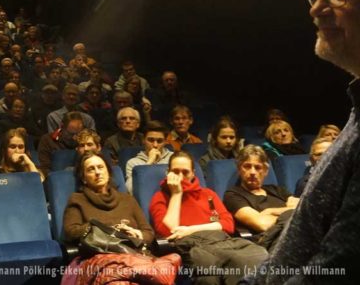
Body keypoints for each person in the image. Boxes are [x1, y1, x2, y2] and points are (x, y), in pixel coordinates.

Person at [149, 152, 267, 285]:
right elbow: (167, 232)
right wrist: (176, 194)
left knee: (260, 254)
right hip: (193, 245)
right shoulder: (160, 197)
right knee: (239, 261)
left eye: (185, 172)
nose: (181, 177)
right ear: (168, 173)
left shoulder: (208, 194)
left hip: (222, 240)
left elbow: (228, 224)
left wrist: (190, 229)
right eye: (176, 172)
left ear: (193, 173)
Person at [63, 151, 154, 245]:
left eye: (100, 167)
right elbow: (71, 233)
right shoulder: (77, 200)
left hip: (134, 251)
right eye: (91, 169)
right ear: (83, 179)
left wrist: (136, 233)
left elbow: (148, 233)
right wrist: (109, 229)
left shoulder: (128, 199)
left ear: (108, 172)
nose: (97, 172)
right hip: (101, 253)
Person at [222, 145, 298, 250]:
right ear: (239, 169)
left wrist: (270, 211)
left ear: (266, 171)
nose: (253, 172)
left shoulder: (276, 189)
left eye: (258, 167)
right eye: (247, 166)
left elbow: (300, 205)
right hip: (270, 242)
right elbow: (262, 224)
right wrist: (291, 214)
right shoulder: (232, 195)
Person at [124, 120, 173, 194]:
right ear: (143, 140)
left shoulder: (174, 158)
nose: (155, 145)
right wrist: (148, 163)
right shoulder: (133, 163)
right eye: (151, 140)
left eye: (159, 141)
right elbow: (131, 190)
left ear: (165, 141)